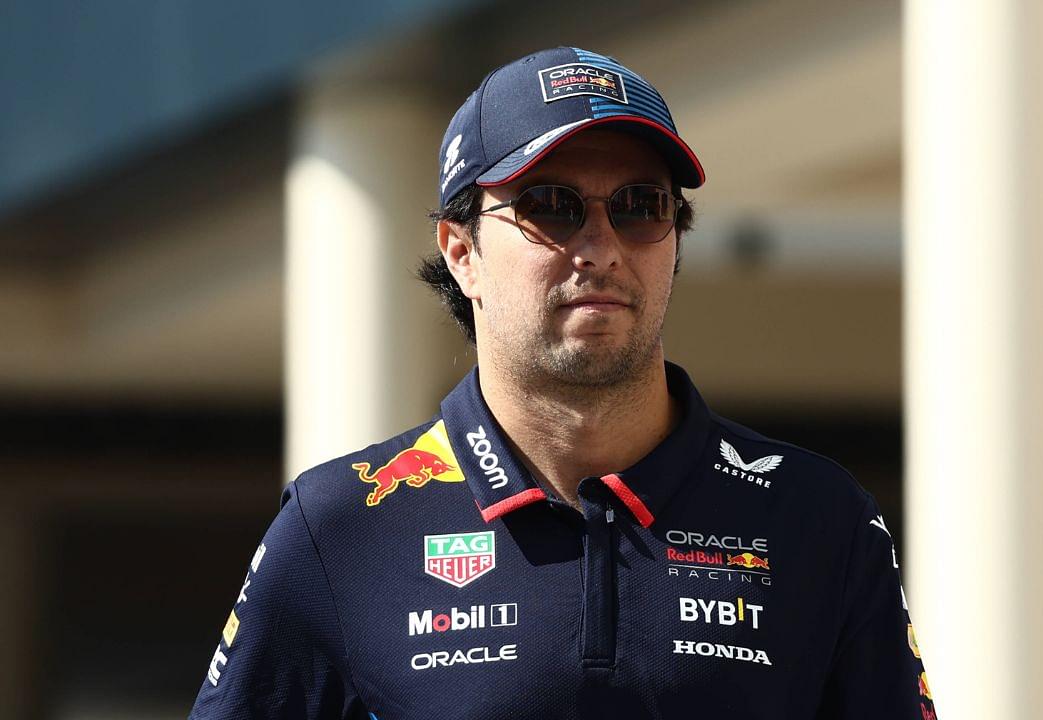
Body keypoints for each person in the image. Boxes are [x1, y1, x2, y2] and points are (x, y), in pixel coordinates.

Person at [189, 46, 936, 720]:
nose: (601, 247)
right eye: (551, 206)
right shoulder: (343, 526)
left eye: (642, 207)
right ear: (461, 252)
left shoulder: (818, 519)